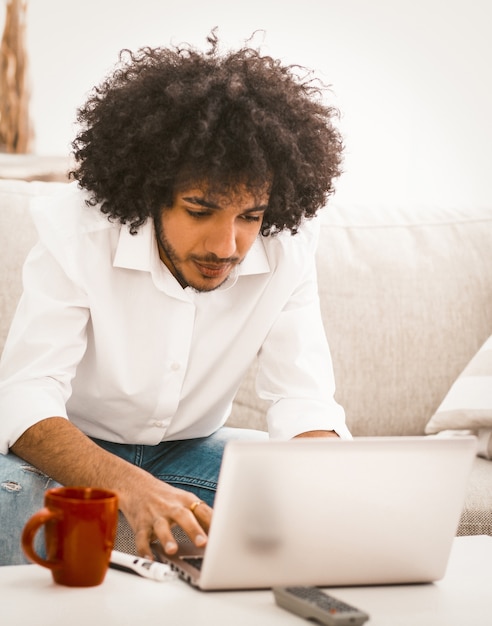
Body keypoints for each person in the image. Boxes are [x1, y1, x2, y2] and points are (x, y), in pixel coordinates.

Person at [0, 32, 350, 565]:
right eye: (199, 209)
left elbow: (301, 398)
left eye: (250, 216)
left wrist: (331, 482)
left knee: (305, 489)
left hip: (194, 449)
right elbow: (25, 394)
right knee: (11, 491)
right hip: (72, 450)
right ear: (149, 192)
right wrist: (129, 486)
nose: (225, 246)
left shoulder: (288, 247)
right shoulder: (77, 232)